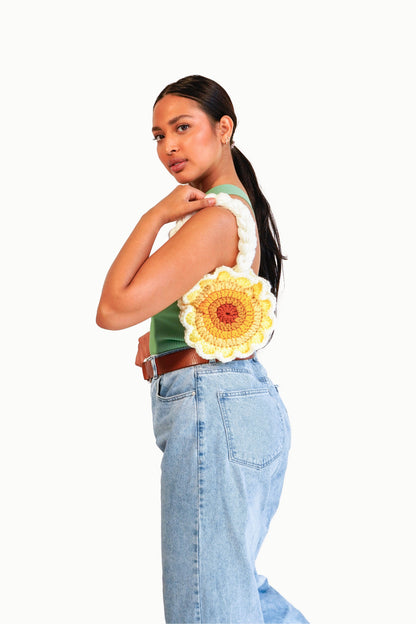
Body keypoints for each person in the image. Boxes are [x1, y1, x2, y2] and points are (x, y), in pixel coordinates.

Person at [96, 75, 309, 624]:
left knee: (207, 607)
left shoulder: (212, 219)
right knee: (236, 593)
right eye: (158, 135)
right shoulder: (233, 209)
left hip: (211, 410)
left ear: (224, 128)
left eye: (183, 128)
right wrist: (165, 334)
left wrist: (154, 216)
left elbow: (113, 308)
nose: (169, 146)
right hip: (236, 404)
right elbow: (212, 300)